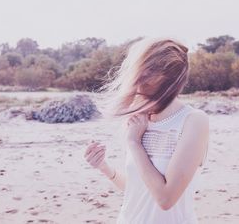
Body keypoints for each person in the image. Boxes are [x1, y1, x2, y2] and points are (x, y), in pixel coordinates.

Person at [84, 38, 209, 223]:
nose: (138, 82)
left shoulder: (193, 121)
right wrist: (104, 167)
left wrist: (134, 143)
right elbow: (137, 189)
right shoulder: (139, 120)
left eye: (145, 73)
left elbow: (166, 199)